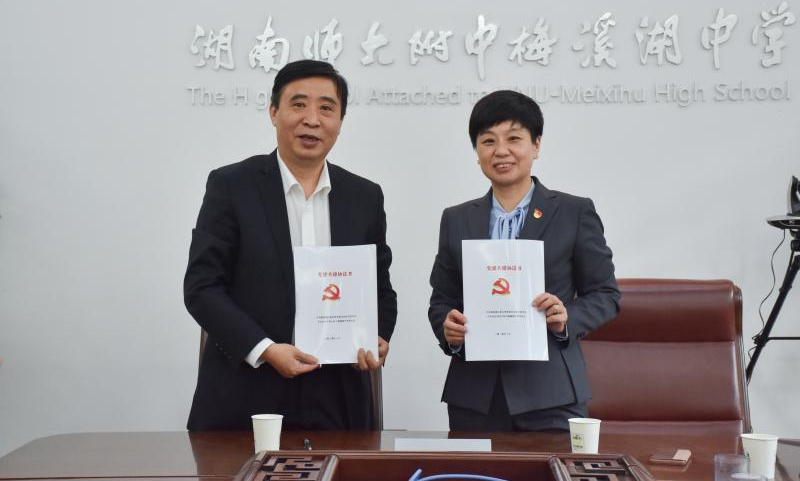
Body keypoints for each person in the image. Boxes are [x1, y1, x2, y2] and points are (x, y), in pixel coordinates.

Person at [184, 60, 397, 431]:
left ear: (341, 120)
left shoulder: (364, 196)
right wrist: (265, 349)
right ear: (273, 112)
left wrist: (378, 336)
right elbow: (202, 288)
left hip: (339, 396)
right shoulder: (232, 186)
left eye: (326, 108)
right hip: (248, 391)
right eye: (298, 105)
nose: (312, 120)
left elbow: (380, 289)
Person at [428, 90, 620, 431]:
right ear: (477, 152)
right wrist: (448, 327)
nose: (501, 151)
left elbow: (606, 294)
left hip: (551, 395)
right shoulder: (456, 219)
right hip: (474, 397)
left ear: (536, 145)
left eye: (514, 138)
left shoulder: (574, 212)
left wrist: (566, 318)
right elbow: (441, 300)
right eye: (488, 141)